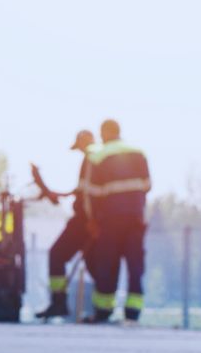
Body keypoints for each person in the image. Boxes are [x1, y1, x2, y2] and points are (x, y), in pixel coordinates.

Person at [84, 118, 151, 324]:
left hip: (110, 220)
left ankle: (104, 310)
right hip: (135, 218)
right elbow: (147, 185)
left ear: (104, 132)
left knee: (107, 264)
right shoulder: (138, 152)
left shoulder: (98, 156)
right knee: (135, 265)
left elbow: (91, 194)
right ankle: (133, 312)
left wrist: (92, 220)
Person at [36, 129, 96, 319]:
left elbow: (87, 194)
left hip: (85, 221)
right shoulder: (94, 160)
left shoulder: (91, 159)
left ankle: (59, 302)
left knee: (57, 254)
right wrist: (61, 194)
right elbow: (82, 191)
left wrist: (90, 219)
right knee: (94, 263)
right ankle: (100, 309)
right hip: (91, 219)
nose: (80, 150)